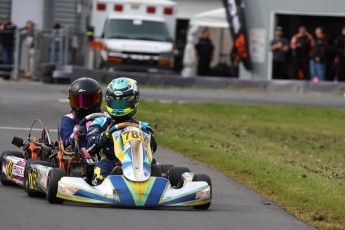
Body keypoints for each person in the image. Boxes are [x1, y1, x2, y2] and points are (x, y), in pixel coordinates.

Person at [85, 77, 157, 185]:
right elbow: (89, 146)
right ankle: (106, 184)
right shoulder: (100, 122)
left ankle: (156, 185)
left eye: (122, 104)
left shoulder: (142, 126)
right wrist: (102, 137)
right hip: (111, 162)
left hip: (138, 163)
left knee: (154, 166)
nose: (118, 108)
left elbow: (152, 148)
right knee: (102, 168)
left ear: (134, 102)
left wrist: (148, 137)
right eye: (114, 103)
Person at [60, 77, 103, 149]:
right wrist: (74, 136)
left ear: (98, 98)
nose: (82, 105)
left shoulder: (105, 118)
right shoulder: (69, 119)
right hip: (79, 155)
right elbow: (65, 143)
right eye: (77, 100)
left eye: (87, 100)